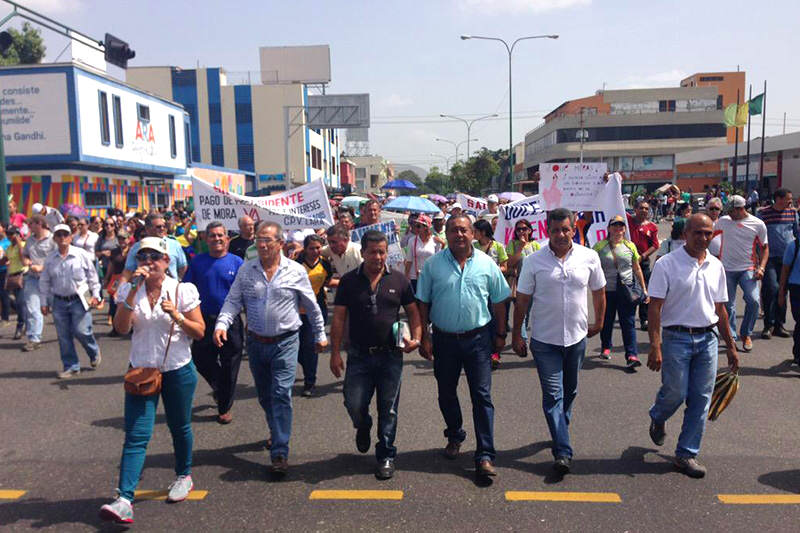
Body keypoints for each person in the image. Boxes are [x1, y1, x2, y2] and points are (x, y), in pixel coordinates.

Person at [99, 237, 205, 524]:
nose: (148, 262)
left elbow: (199, 331)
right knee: (136, 434)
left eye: (155, 257)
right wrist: (132, 290)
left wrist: (178, 316)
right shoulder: (128, 289)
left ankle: (184, 475)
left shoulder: (182, 290)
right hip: (142, 371)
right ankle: (124, 499)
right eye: (143, 256)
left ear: (167, 261)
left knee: (179, 425)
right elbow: (121, 328)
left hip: (177, 369)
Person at [213, 221, 327, 479]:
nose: (262, 245)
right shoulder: (247, 271)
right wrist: (221, 324)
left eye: (267, 240)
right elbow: (233, 301)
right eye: (259, 241)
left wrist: (320, 334)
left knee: (280, 393)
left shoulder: (295, 271)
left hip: (286, 342)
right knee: (265, 396)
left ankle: (279, 451)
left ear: (280, 244)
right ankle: (276, 430)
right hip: (256, 344)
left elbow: (311, 304)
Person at [416, 214, 510, 485]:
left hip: (478, 340)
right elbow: (422, 302)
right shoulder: (433, 265)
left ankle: (484, 455)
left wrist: (501, 335)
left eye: (464, 230)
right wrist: (424, 337)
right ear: (446, 234)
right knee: (446, 392)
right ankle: (455, 434)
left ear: (473, 234)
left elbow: (501, 301)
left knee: (481, 396)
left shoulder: (487, 264)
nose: (459, 234)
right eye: (454, 230)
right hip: (444, 339)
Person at [512, 208, 606, 475]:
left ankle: (559, 430)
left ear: (574, 228)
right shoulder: (534, 261)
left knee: (570, 391)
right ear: (547, 231)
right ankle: (563, 451)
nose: (561, 235)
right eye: (555, 230)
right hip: (544, 340)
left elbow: (598, 291)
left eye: (566, 229)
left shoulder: (589, 257)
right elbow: (522, 300)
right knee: (553, 395)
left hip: (577, 338)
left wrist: (599, 321)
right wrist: (516, 333)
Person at [646, 214, 739, 479]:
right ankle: (658, 414)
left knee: (701, 398)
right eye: (698, 232)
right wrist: (655, 345)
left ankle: (686, 454)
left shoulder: (716, 266)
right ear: (685, 234)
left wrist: (730, 346)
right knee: (675, 392)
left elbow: (720, 308)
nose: (703, 238)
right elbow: (655, 307)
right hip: (676, 338)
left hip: (707, 339)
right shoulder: (667, 264)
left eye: (708, 233)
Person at [329, 230, 422, 480]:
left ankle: (386, 455)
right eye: (373, 252)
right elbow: (338, 317)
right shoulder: (349, 281)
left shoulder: (399, 281)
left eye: (382, 252)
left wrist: (417, 338)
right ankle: (363, 425)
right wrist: (334, 352)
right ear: (363, 253)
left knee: (389, 409)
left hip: (390, 356)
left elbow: (413, 312)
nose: (378, 257)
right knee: (354, 403)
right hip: (358, 356)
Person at [183, 222, 244, 424]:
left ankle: (224, 407)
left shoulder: (237, 263)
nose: (217, 239)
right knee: (200, 359)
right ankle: (220, 387)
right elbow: (185, 289)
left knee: (230, 364)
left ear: (227, 239)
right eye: (212, 236)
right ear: (205, 239)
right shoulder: (197, 262)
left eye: (220, 235)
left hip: (230, 322)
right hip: (204, 321)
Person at [39, 224, 102, 378]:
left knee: (82, 331)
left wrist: (96, 295)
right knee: (63, 335)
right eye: (59, 235)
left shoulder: (81, 254)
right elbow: (45, 281)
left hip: (80, 298)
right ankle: (71, 366)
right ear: (54, 238)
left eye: (65, 234)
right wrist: (44, 302)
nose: (62, 238)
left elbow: (93, 277)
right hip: (59, 300)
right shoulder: (50, 259)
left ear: (70, 237)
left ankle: (93, 351)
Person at [714, 195, 769, 352]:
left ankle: (746, 333)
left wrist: (762, 267)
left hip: (748, 268)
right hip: (726, 268)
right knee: (728, 304)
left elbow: (765, 248)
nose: (728, 214)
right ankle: (731, 335)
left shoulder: (758, 224)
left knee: (754, 301)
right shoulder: (724, 221)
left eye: (731, 211)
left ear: (740, 209)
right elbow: (709, 235)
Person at [593, 215, 648, 367]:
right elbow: (592, 268)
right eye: (614, 225)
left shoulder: (630, 246)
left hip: (627, 291)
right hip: (606, 290)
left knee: (628, 323)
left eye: (621, 225)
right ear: (609, 228)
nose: (618, 228)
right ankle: (605, 347)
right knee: (607, 321)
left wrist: (644, 289)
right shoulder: (599, 246)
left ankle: (632, 355)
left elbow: (636, 268)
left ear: (625, 229)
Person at [296, 234, 333, 397]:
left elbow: (328, 281)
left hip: (317, 310)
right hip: (295, 310)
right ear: (305, 249)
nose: (315, 251)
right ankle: (306, 367)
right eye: (311, 248)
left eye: (318, 248)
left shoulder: (325, 263)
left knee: (311, 346)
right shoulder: (295, 264)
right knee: (296, 347)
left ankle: (309, 381)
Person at [757, 188, 797, 339]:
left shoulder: (792, 213)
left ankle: (779, 325)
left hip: (787, 259)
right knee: (771, 288)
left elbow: (797, 233)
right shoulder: (763, 214)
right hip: (769, 258)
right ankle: (769, 324)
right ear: (779, 199)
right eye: (788, 199)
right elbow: (757, 235)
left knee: (783, 290)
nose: (790, 202)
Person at [473, 218, 509, 369]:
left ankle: (495, 352)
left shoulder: (498, 246)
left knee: (495, 321)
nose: (473, 234)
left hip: (494, 290)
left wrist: (491, 269)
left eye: (475, 231)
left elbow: (505, 267)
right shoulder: (472, 247)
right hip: (477, 291)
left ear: (483, 232)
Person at [21, 215, 55, 351]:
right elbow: (24, 254)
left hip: (51, 280)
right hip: (33, 278)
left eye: (31, 224)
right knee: (32, 308)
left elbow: (58, 258)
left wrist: (42, 267)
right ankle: (34, 338)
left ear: (39, 224)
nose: (29, 227)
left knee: (59, 309)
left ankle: (68, 333)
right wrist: (26, 260)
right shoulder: (30, 240)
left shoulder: (53, 239)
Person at [123, 214, 188, 281]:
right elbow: (128, 271)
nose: (162, 229)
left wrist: (178, 281)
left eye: (164, 226)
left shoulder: (174, 244)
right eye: (158, 227)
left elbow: (182, 267)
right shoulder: (136, 247)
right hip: (145, 288)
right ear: (147, 229)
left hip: (171, 288)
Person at [627, 201, 659, 331]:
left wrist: (643, 256)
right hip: (627, 262)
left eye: (646, 208)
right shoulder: (627, 221)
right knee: (629, 290)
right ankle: (628, 317)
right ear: (635, 209)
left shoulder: (652, 227)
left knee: (645, 291)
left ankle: (644, 318)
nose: (644, 210)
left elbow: (655, 245)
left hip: (643, 263)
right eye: (641, 208)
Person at [2, 226, 26, 339]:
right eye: (8, 234)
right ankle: (27, 322)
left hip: (22, 275)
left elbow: (23, 260)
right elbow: (5, 259)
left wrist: (19, 244)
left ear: (17, 234)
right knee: (19, 303)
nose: (10, 236)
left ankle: (19, 327)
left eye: (12, 234)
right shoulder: (10, 248)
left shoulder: (24, 245)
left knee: (21, 303)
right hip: (12, 277)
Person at [404, 214, 439, 292]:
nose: (416, 228)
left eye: (419, 226)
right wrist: (406, 276)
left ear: (426, 227)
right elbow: (409, 260)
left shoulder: (435, 241)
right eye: (416, 226)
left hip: (430, 277)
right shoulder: (412, 240)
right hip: (415, 277)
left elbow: (437, 261)